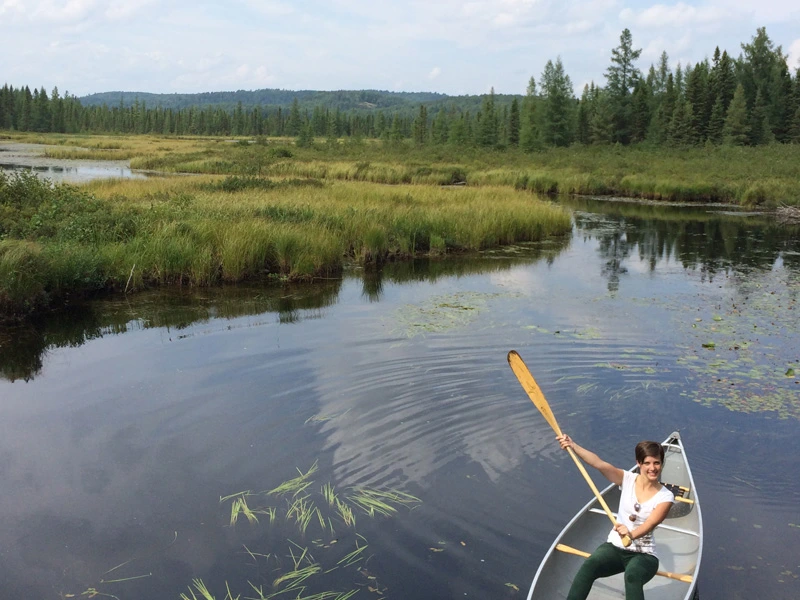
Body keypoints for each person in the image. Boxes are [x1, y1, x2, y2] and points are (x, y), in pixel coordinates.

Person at [556, 434, 675, 600]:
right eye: (647, 463)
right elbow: (599, 463)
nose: (652, 468)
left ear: (662, 463)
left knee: (632, 575)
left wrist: (630, 534)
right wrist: (573, 445)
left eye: (657, 462)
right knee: (590, 565)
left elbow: (650, 523)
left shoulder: (666, 497)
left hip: (644, 555)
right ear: (638, 463)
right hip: (615, 547)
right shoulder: (626, 479)